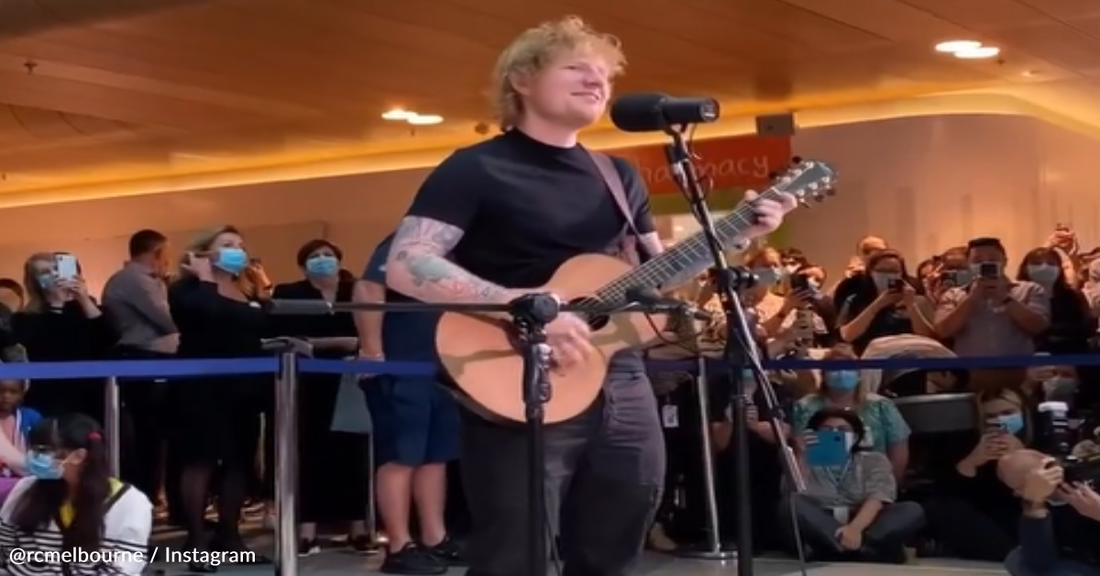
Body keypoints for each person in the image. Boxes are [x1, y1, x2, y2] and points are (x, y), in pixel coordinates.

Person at [383, 16, 795, 576]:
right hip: (518, 369)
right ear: (522, 80)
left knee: (618, 535)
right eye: (576, 67)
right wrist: (522, 306)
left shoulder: (618, 175)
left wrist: (738, 231)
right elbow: (407, 262)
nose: (596, 81)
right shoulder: (475, 168)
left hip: (619, 374)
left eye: (604, 74)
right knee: (516, 552)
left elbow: (657, 274)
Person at [167, 225, 272, 571]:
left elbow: (261, 326)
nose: (237, 250)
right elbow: (206, 314)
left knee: (240, 461)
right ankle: (196, 539)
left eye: (240, 245)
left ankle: (230, 535)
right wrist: (206, 279)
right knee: (201, 459)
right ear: (204, 251)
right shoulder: (185, 289)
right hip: (200, 386)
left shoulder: (246, 289)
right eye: (227, 244)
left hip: (244, 387)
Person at [359, 233, 461, 575]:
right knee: (401, 455)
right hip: (400, 366)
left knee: (435, 456)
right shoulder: (411, 240)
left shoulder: (463, 250)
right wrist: (372, 352)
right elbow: (368, 289)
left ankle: (435, 538)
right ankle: (399, 546)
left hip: (440, 369)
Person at [272, 239, 372, 555]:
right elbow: (287, 335)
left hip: (352, 379)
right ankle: (307, 530)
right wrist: (335, 342)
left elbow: (370, 331)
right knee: (311, 451)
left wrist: (352, 344)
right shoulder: (290, 293)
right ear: (303, 265)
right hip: (308, 381)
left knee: (353, 450)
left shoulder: (355, 290)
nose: (323, 259)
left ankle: (358, 527)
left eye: (328, 255)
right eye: (314, 256)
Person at [0, 414, 153, 575]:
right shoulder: (26, 488)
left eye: (44, 450)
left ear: (79, 456)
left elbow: (126, 565)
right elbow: (5, 548)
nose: (35, 457)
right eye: (33, 449)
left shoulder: (130, 502)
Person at [781, 407, 924, 564]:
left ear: (855, 437)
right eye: (827, 429)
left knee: (911, 510)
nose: (835, 433)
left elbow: (878, 496)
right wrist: (802, 456)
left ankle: (850, 548)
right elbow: (792, 493)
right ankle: (862, 551)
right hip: (823, 519)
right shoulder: (802, 459)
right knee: (791, 504)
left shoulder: (873, 460)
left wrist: (855, 529)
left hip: (863, 518)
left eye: (843, 429)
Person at [102, 229, 177, 507]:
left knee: (156, 432)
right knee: (150, 433)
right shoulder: (135, 279)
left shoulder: (146, 280)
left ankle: (152, 493)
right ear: (156, 252)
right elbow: (167, 320)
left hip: (153, 358)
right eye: (166, 254)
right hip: (145, 357)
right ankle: (144, 495)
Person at [923, 387, 1033, 561]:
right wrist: (973, 461)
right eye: (991, 416)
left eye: (1007, 413)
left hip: (1022, 516)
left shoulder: (1041, 439)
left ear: (1023, 413)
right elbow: (945, 493)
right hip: (983, 519)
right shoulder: (967, 442)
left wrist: (1022, 458)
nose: (1000, 420)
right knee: (940, 507)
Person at [12, 252, 115, 422]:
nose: (53, 276)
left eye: (55, 269)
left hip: (90, 393)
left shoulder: (86, 310)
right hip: (50, 394)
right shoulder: (25, 318)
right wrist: (56, 304)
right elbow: (47, 345)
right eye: (44, 272)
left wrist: (83, 298)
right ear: (35, 281)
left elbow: (108, 338)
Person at [792, 345, 910, 479]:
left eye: (848, 368)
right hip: (822, 482)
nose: (841, 372)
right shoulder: (805, 407)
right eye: (834, 369)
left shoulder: (882, 406)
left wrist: (888, 488)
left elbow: (899, 453)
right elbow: (799, 450)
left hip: (873, 482)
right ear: (823, 376)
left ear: (859, 375)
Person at [998, 450, 1100, 576]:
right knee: (1018, 558)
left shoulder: (1092, 475)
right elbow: (1039, 562)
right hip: (1082, 557)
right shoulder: (1036, 501)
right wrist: (1034, 505)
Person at [836, 249, 936, 355]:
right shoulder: (855, 300)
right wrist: (877, 305)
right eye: (882, 271)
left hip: (911, 357)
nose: (889, 275)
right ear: (871, 273)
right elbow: (847, 335)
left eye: (894, 271)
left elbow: (929, 337)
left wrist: (911, 305)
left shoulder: (918, 300)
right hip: (871, 358)